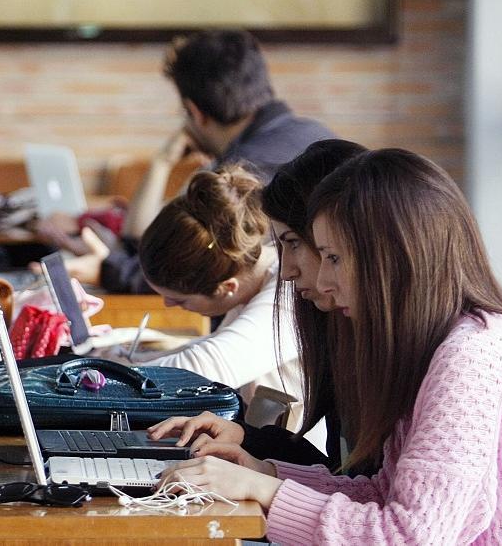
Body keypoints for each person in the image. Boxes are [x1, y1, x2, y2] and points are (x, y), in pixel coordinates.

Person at [157, 148, 502, 543]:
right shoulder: (442, 344)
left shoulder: (473, 354)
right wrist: (262, 470)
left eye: (333, 258)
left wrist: (267, 491)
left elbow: (407, 536)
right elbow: (383, 492)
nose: (320, 281)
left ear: (390, 256)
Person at [148, 139, 369, 470]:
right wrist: (246, 441)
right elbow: (348, 481)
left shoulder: (295, 296)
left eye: (293, 243)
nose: (290, 271)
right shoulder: (317, 304)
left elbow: (209, 364)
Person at [66, 30, 333, 293]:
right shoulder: (318, 136)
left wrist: (108, 270)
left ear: (195, 111)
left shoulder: (238, 173)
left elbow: (168, 261)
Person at [134, 165, 317, 447]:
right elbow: (209, 347)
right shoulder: (258, 282)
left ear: (227, 287)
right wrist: (118, 364)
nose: (168, 305)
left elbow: (206, 366)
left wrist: (104, 380)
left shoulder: (290, 292)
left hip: (301, 465)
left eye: (180, 300)